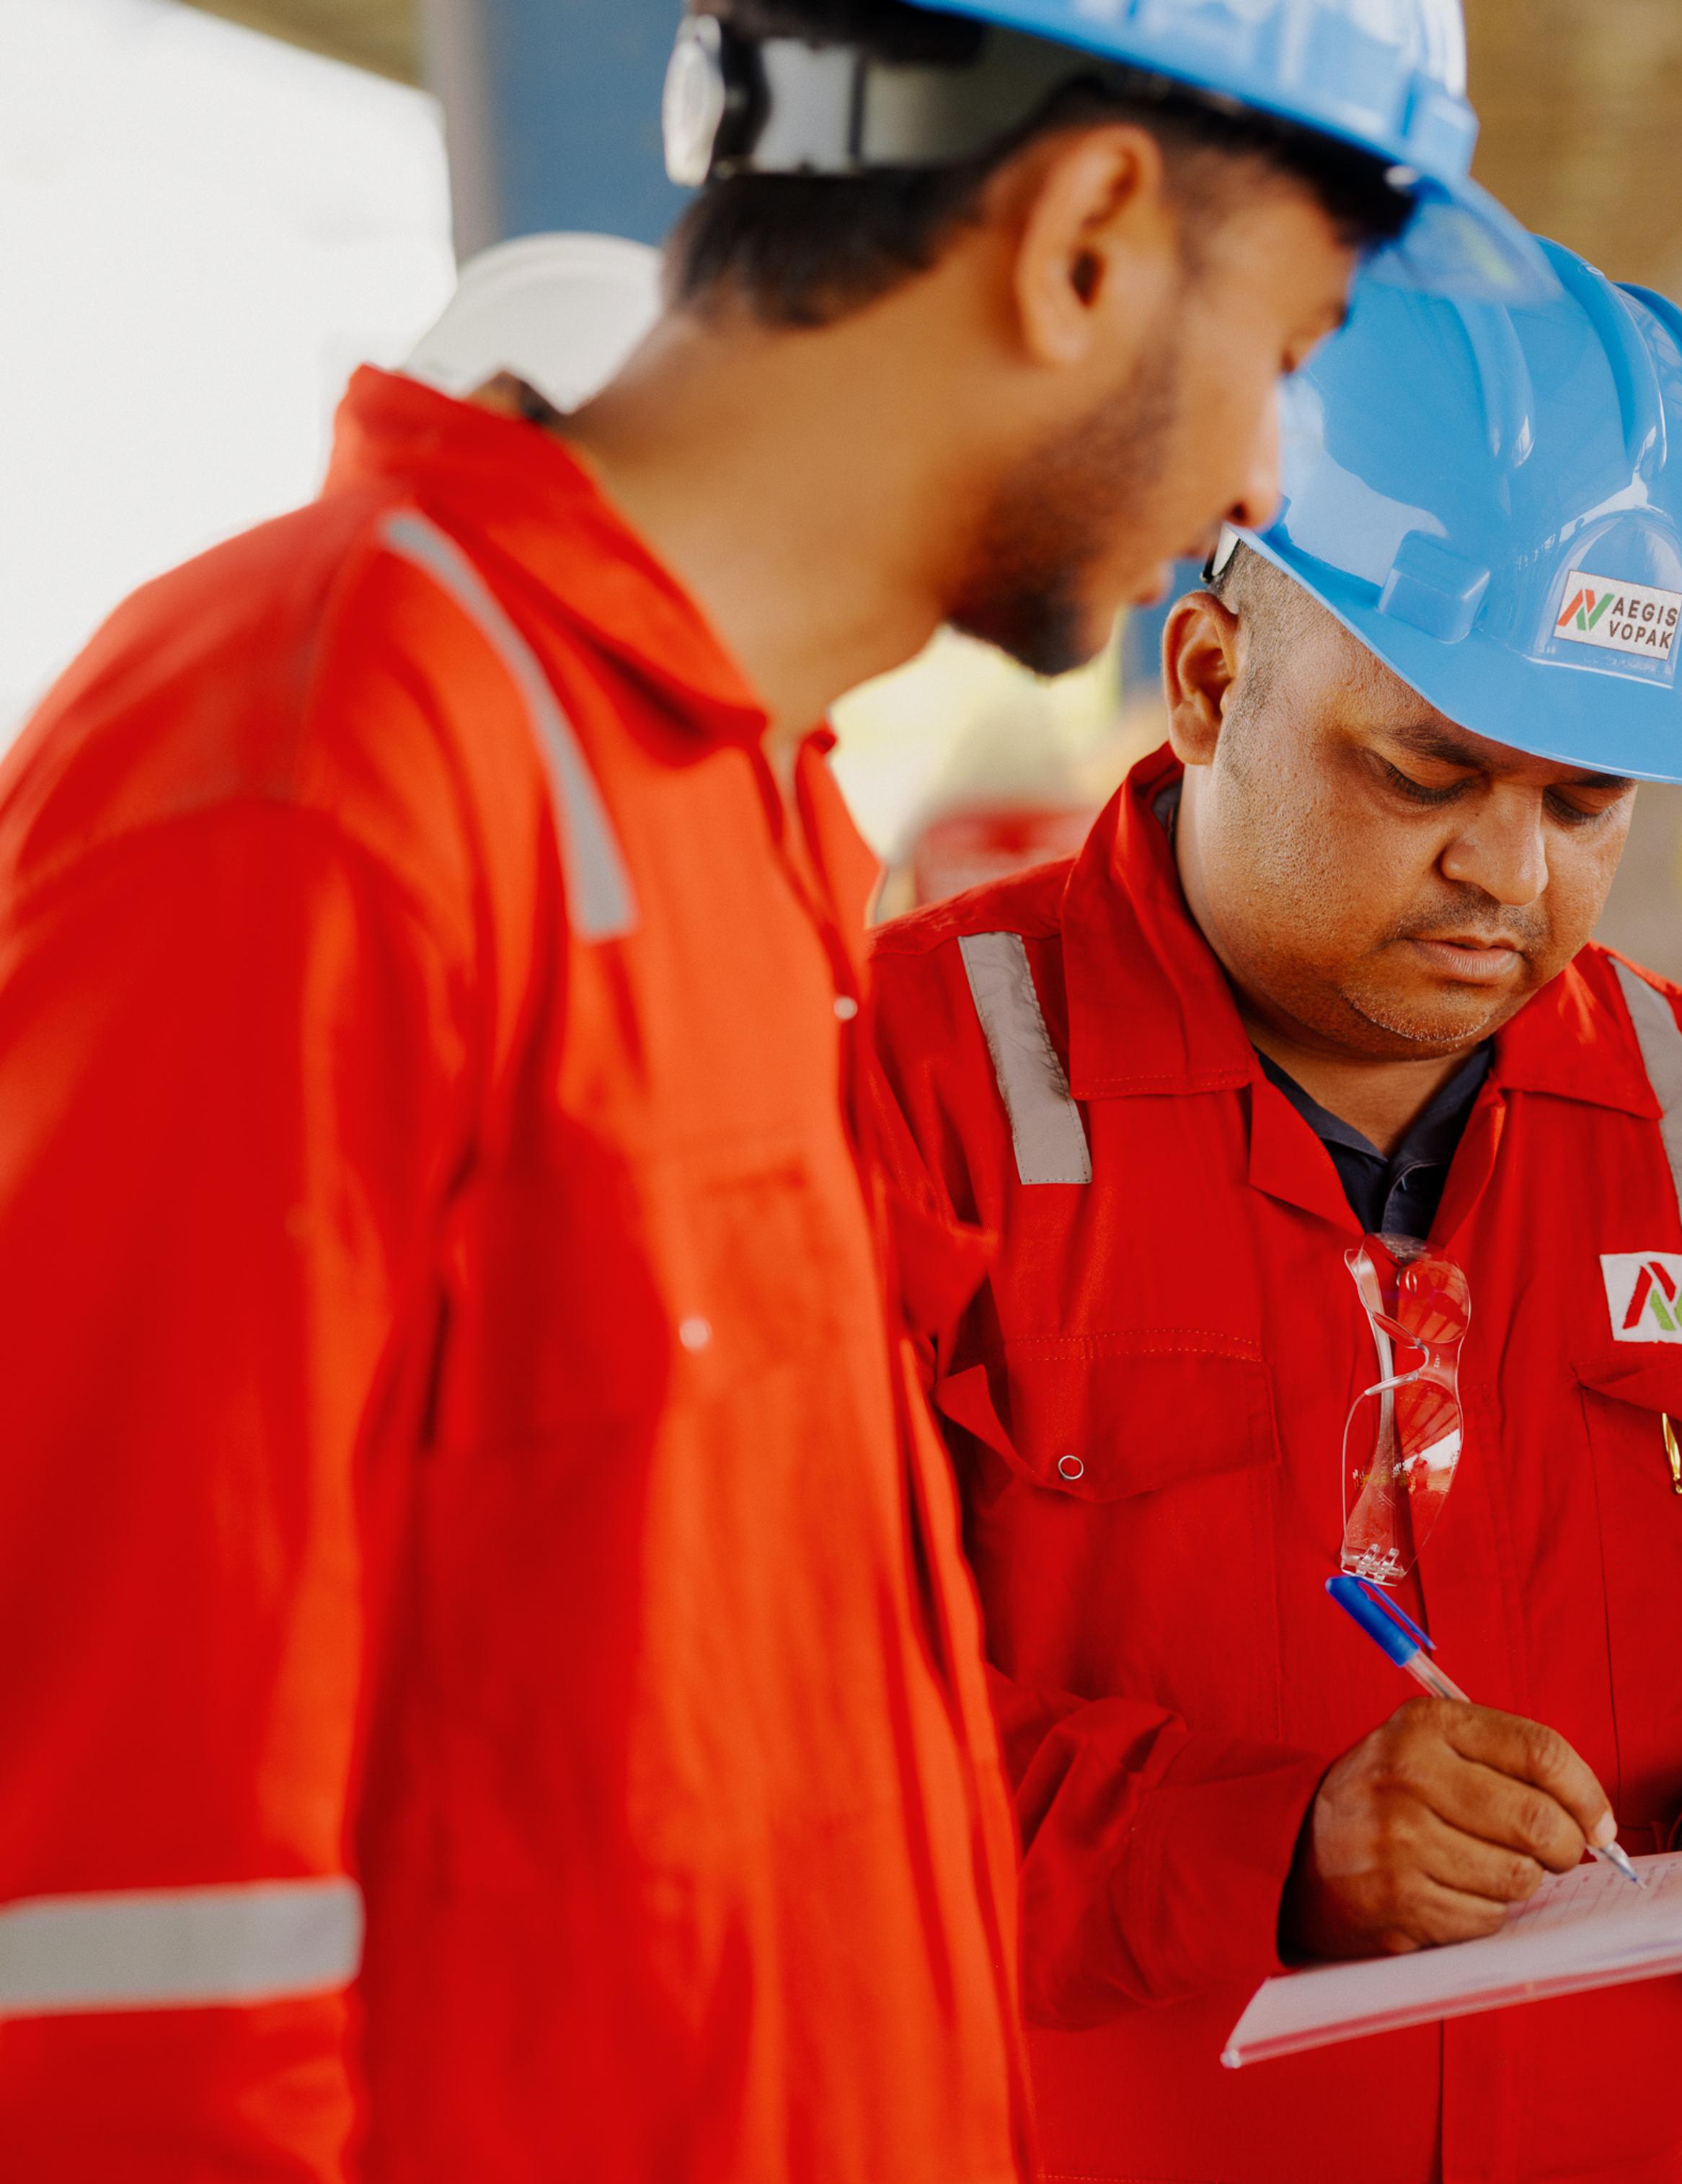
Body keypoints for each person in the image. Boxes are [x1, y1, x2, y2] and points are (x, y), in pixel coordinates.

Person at [0, 1, 1549, 2175]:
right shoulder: (322, 759)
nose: (1261, 480)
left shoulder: (735, 820)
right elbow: (118, 1952)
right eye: (1285, 350)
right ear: (1087, 236)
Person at [864, 238, 1682, 2183]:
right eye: (1430, 771)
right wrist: (1267, 1850)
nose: (1509, 873)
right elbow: (751, 1744)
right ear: (1215, 677)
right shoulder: (916, 1087)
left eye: (1590, 805)